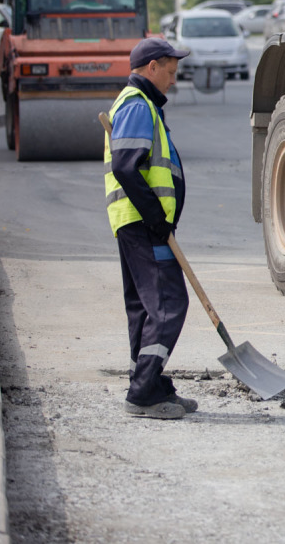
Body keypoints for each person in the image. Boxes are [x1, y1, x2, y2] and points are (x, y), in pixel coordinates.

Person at [104, 37, 194, 420]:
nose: (172, 81)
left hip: (136, 224)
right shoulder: (137, 106)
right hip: (143, 224)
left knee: (144, 307)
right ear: (152, 67)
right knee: (169, 303)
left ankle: (149, 382)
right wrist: (155, 216)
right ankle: (142, 393)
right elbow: (126, 165)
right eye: (170, 73)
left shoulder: (141, 106)